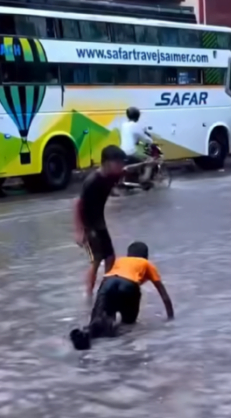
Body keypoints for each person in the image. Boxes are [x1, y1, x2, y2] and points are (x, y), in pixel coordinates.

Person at [69, 241, 174, 350]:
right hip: (129, 285)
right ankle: (120, 349)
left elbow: (109, 280)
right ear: (146, 256)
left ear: (128, 254)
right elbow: (164, 296)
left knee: (100, 319)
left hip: (107, 283)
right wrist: (171, 319)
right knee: (128, 324)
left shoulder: (120, 260)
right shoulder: (146, 263)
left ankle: (86, 334)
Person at [74, 145, 125, 299]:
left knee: (110, 257)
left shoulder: (113, 175)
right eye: (118, 163)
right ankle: (88, 295)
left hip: (100, 223)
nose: (121, 166)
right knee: (96, 260)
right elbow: (77, 204)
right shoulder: (92, 181)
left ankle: (106, 289)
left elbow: (129, 169)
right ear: (107, 163)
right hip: (89, 225)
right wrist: (79, 231)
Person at [120, 106, 154, 187]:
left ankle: (134, 177)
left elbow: (132, 136)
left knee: (138, 160)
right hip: (131, 152)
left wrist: (137, 141)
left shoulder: (124, 125)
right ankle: (145, 180)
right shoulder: (136, 126)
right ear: (137, 116)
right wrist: (151, 141)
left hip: (122, 151)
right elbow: (145, 138)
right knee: (150, 161)